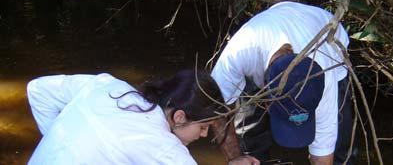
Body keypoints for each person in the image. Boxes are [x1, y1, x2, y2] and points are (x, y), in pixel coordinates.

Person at [211, 1, 356, 164]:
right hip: (265, 47)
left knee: (338, 146)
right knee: (248, 134)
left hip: (328, 37)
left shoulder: (324, 79)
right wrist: (235, 158)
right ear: (267, 104)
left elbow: (323, 156)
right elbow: (216, 109)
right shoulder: (239, 53)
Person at [26, 70, 259, 165]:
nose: (205, 135)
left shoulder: (107, 84)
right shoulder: (163, 146)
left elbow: (38, 90)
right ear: (179, 117)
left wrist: (62, 141)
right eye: (204, 127)